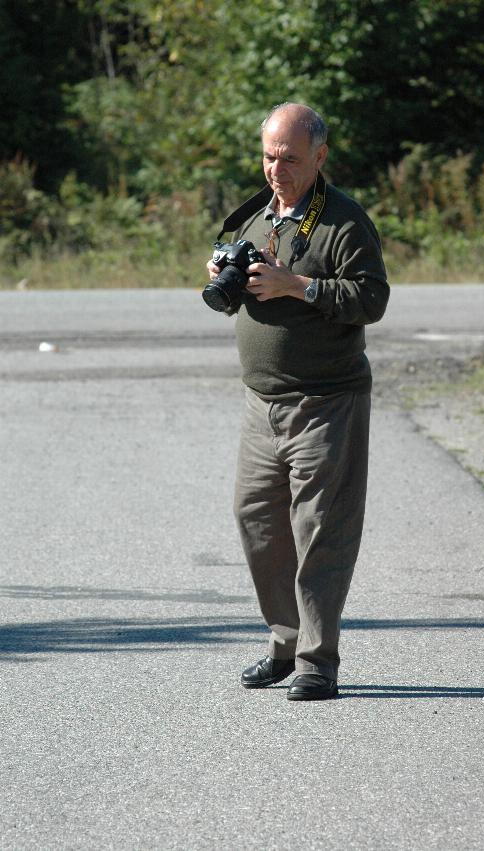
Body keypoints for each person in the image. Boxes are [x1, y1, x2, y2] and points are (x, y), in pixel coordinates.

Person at [206, 102, 390, 700]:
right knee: (257, 520)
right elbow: (250, 299)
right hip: (262, 405)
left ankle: (318, 661)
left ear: (319, 156)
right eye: (268, 156)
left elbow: (371, 299)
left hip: (326, 401)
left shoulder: (343, 222)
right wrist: (228, 274)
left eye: (287, 157)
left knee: (320, 531)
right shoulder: (258, 218)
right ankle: (284, 643)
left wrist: (297, 284)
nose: (275, 168)